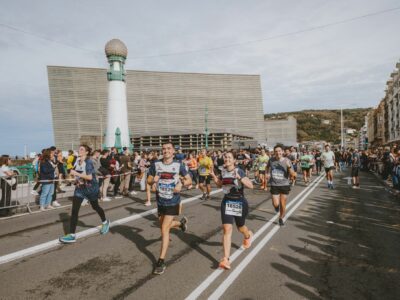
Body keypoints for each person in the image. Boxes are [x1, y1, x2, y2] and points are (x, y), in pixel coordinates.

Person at [147, 142, 192, 275]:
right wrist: (153, 181)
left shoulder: (179, 165)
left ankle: (161, 261)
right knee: (164, 225)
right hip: (160, 201)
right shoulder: (156, 165)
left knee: (164, 229)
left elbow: (189, 180)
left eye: (169, 149)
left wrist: (182, 184)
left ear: (173, 151)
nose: (166, 151)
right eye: (164, 149)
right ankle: (181, 223)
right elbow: (149, 180)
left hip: (173, 201)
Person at [209, 152, 254, 270]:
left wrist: (240, 179)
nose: (227, 159)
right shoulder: (223, 171)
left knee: (241, 227)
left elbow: (251, 186)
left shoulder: (239, 171)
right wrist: (214, 176)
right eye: (225, 157)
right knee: (227, 229)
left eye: (229, 157)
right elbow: (220, 185)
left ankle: (248, 235)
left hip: (239, 202)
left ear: (234, 160)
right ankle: (226, 259)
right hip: (227, 202)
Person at [59, 145, 110, 243]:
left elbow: (90, 177)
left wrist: (77, 174)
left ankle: (105, 222)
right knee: (74, 211)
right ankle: (72, 235)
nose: (79, 150)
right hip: (80, 189)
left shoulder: (89, 161)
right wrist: (73, 178)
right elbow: (75, 173)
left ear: (86, 152)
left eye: (82, 149)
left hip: (91, 189)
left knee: (95, 207)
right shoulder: (77, 161)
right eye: (79, 149)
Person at [266, 145, 297, 226]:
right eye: (276, 151)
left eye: (279, 151)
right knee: (276, 204)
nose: (278, 153)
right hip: (274, 184)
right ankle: (277, 207)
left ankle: (281, 218)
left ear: (282, 152)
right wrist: (268, 173)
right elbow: (267, 167)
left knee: (283, 204)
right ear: (274, 152)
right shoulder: (271, 160)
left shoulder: (287, 161)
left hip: (284, 185)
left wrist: (289, 166)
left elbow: (293, 174)